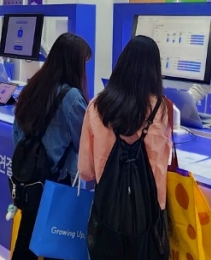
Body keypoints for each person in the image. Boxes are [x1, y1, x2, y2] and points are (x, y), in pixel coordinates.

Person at [79, 36, 172, 259]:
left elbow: (86, 171)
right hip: (149, 213)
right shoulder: (162, 108)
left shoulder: (97, 106)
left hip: (107, 208)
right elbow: (163, 163)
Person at [10, 34, 90, 260]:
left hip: (30, 180)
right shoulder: (72, 98)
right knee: (56, 245)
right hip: (57, 183)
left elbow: (17, 134)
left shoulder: (33, 87)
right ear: (74, 63)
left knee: (26, 237)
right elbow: (84, 144)